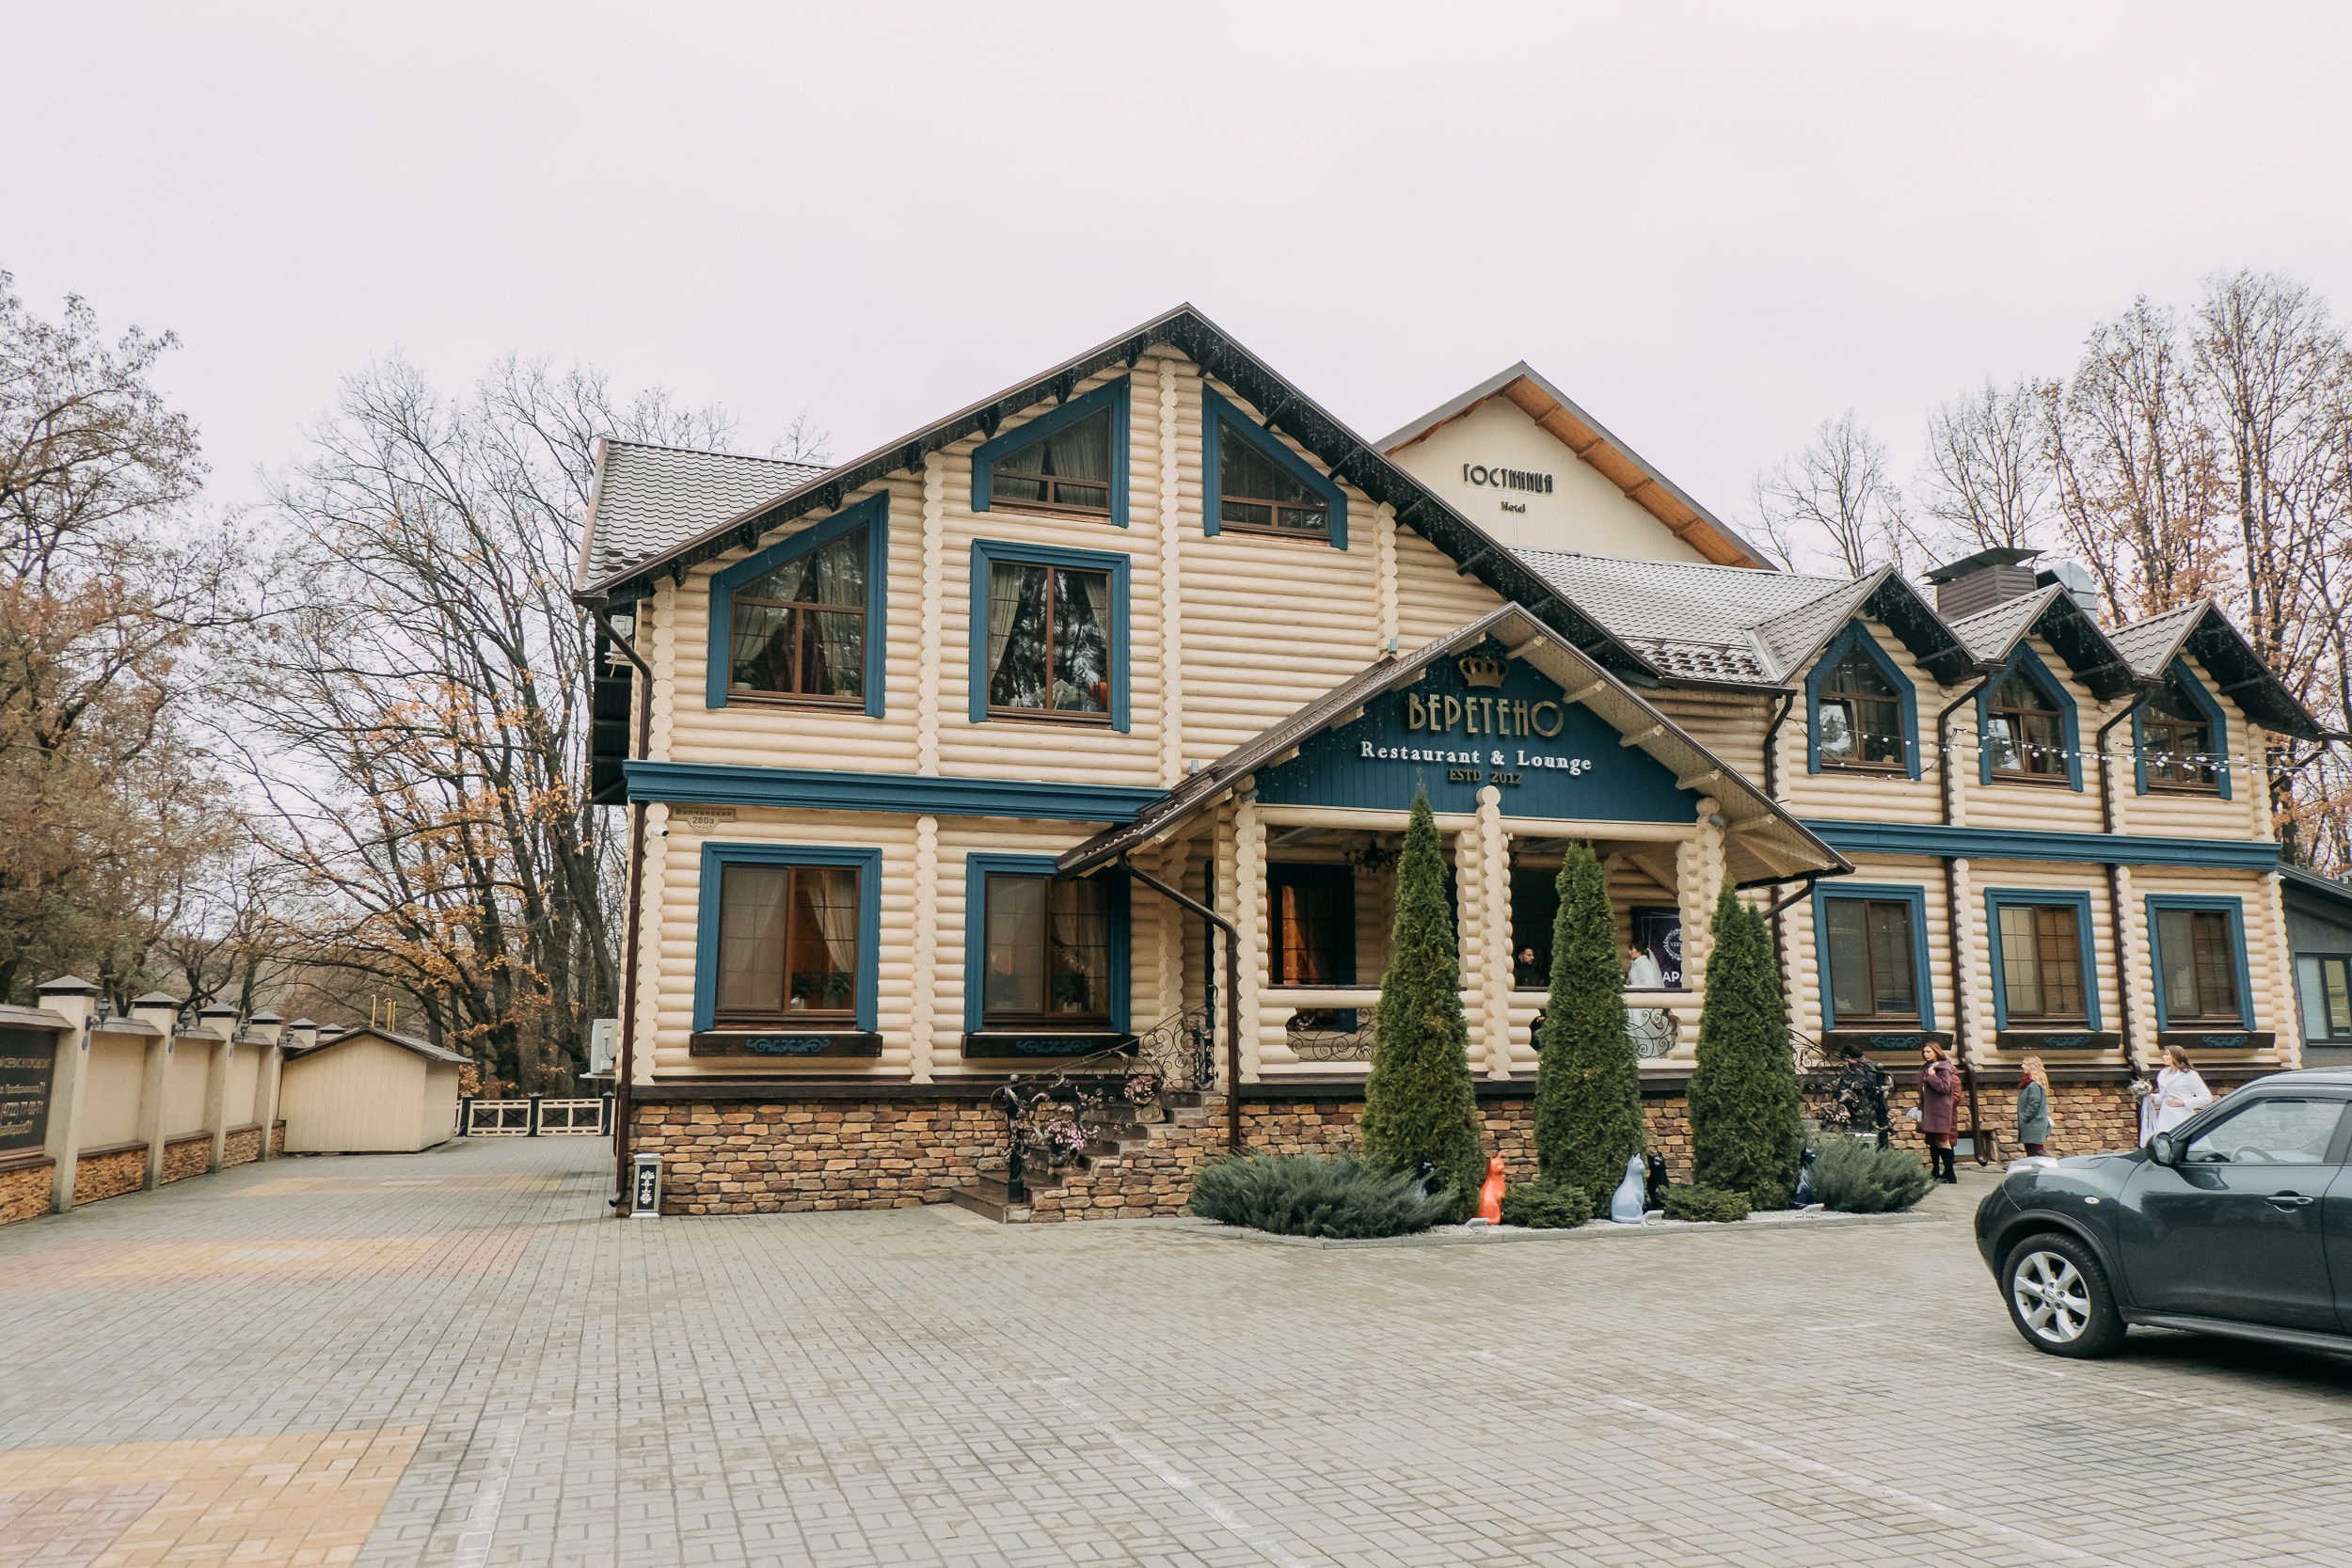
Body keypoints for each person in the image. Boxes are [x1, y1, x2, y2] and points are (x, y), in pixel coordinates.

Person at [2147, 1045, 2212, 1141]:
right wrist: (2149, 1097)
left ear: (2175, 1056)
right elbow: (2162, 1096)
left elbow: (2207, 1097)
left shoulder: (2189, 1074)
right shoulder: (2164, 1073)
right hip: (2165, 1117)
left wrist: (2183, 1102)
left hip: (2181, 1116)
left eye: (2166, 1054)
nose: (2163, 1057)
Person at [1918, 1042, 1962, 1183]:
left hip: (1940, 1111)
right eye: (1924, 1052)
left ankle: (1950, 1173)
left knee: (1943, 1140)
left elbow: (1944, 1087)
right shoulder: (1927, 1067)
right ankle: (1937, 1171)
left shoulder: (1942, 1068)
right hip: (1931, 1109)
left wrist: (1932, 1076)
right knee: (1934, 1141)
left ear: (1936, 1052)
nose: (1925, 1054)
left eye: (1928, 1052)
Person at [1834, 1044, 1891, 1148]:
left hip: (1867, 1102)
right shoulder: (1852, 1066)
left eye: (1847, 1058)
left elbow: (1871, 1083)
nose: (1847, 1061)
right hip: (1855, 1102)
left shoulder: (1866, 1065)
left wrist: (1856, 1085)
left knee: (1868, 1128)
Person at [2015, 1055, 2052, 1157]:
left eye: (2025, 1064)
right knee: (2032, 1153)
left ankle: (2052, 1167)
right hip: (2031, 1124)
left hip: (2034, 1124)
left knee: (2037, 1151)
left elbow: (2033, 1104)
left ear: (2031, 1067)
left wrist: (2024, 1117)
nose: (2022, 1066)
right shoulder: (2030, 1084)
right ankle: (2036, 1171)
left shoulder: (2034, 1085)